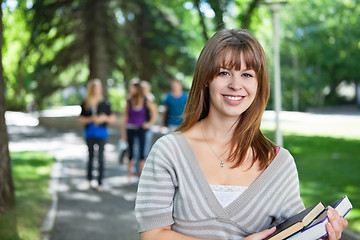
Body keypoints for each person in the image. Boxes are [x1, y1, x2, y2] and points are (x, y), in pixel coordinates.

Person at [135, 29, 348, 239]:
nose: (235, 85)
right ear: (206, 78)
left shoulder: (279, 163)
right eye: (224, 73)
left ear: (258, 84)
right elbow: (152, 234)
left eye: (247, 75)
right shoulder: (169, 152)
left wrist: (324, 236)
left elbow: (295, 233)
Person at [78, 79, 116, 192]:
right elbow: (81, 119)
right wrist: (91, 119)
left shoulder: (105, 103)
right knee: (90, 157)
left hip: (102, 134)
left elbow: (112, 118)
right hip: (90, 133)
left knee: (100, 158)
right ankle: (89, 180)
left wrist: (104, 118)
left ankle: (100, 182)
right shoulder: (86, 103)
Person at [121, 79, 157, 181]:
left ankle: (142, 176)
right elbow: (125, 116)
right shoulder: (129, 100)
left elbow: (154, 112)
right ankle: (129, 176)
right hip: (130, 128)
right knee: (130, 152)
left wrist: (149, 123)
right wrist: (123, 132)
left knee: (142, 153)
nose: (131, 89)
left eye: (133, 87)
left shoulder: (146, 100)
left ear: (137, 88)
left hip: (142, 129)